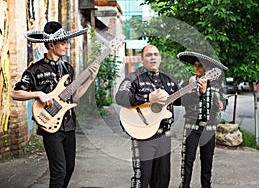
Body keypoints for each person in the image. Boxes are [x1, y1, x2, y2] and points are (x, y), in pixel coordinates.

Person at [11, 21, 99, 188]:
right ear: (51, 44)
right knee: (59, 171)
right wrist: (38, 94)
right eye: (63, 43)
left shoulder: (68, 69)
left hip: (69, 126)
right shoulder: (35, 69)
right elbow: (15, 93)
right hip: (50, 127)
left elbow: (75, 97)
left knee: (69, 169)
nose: (67, 47)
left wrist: (90, 80)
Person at [115, 45, 181, 188]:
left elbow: (183, 100)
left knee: (163, 179)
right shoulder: (133, 78)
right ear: (142, 59)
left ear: (160, 58)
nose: (153, 57)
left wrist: (199, 91)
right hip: (142, 136)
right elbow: (120, 97)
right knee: (142, 179)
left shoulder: (169, 80)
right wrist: (148, 97)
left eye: (156, 54)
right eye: (149, 55)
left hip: (164, 135)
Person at [177, 51, 227, 188]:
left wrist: (222, 104)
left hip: (209, 128)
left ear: (208, 69)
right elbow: (178, 101)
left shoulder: (216, 85)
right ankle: (185, 185)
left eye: (200, 66)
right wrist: (198, 93)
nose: (196, 68)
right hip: (191, 127)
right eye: (195, 65)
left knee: (207, 162)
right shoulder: (188, 83)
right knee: (187, 161)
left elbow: (223, 100)